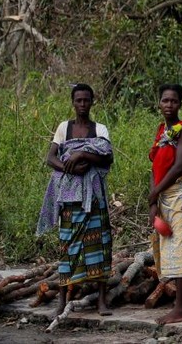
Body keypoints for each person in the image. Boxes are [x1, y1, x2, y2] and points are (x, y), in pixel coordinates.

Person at [36, 83, 114, 318]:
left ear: (92, 102)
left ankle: (101, 301)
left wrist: (81, 154)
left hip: (94, 197)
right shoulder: (63, 128)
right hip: (69, 198)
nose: (82, 104)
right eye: (78, 100)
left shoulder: (100, 129)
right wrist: (71, 169)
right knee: (67, 247)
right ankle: (62, 300)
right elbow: (50, 158)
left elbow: (107, 157)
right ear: (73, 102)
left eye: (86, 100)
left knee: (99, 247)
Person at [147, 83, 182, 324]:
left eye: (174, 101)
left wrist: (155, 192)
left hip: (180, 194)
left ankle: (181, 307)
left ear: (180, 104)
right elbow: (154, 167)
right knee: (169, 248)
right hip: (163, 197)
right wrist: (153, 201)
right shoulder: (160, 132)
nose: (169, 105)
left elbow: (178, 166)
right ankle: (180, 307)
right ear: (159, 103)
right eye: (165, 100)